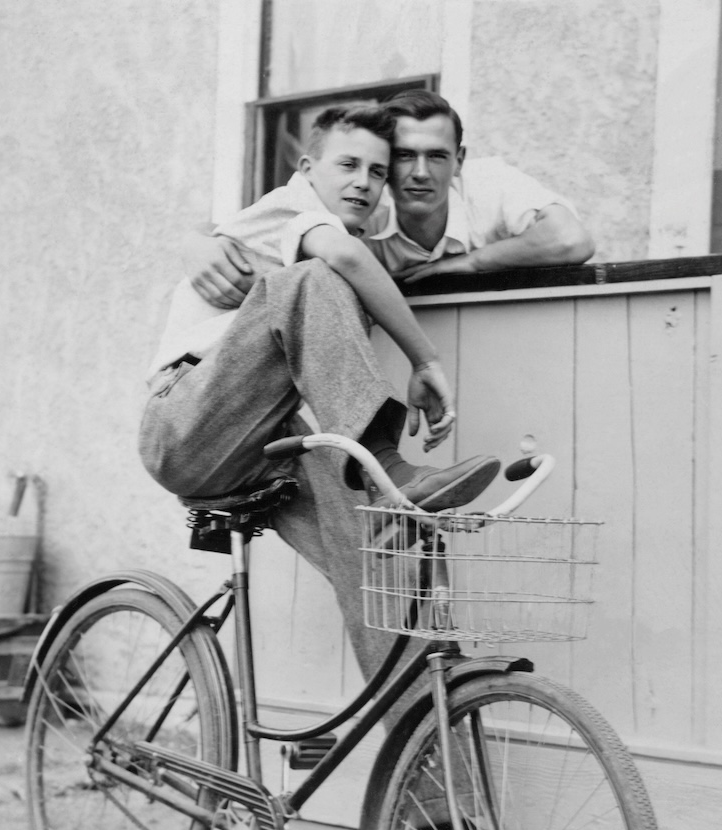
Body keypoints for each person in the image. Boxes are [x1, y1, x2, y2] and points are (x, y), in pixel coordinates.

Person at [139, 105, 499, 674]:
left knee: (384, 551)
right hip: (184, 423)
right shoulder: (293, 210)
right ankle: (384, 462)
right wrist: (424, 359)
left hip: (263, 443)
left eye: (378, 172)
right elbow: (345, 258)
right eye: (348, 164)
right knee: (313, 278)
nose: (364, 181)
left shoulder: (354, 238)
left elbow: (557, 238)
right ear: (308, 168)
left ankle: (424, 735)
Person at [185, 90, 594, 308]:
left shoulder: (487, 183)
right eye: (403, 156)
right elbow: (257, 227)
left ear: (459, 161)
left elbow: (570, 240)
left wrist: (466, 263)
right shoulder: (361, 205)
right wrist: (196, 244)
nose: (419, 172)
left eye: (436, 156)